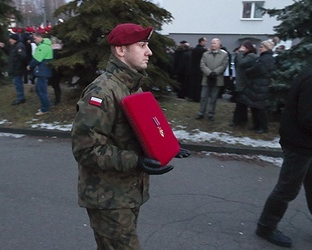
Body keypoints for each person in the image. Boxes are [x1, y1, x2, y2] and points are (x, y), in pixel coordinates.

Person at [71, 23, 190, 250]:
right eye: (142, 45)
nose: (149, 52)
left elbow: (142, 130)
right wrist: (137, 160)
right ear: (121, 50)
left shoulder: (132, 86)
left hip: (127, 192)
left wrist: (168, 145)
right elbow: (85, 150)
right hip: (107, 197)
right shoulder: (102, 92)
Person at [256, 33, 312, 248]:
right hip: (300, 144)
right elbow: (310, 120)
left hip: (306, 143)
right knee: (287, 188)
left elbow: (311, 112)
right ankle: (265, 227)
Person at [242, 40, 275, 134]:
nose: (259, 48)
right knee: (255, 106)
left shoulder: (267, 58)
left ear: (266, 48)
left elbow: (258, 69)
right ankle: (256, 125)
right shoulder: (264, 57)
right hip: (257, 84)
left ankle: (263, 127)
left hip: (261, 85)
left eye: (261, 46)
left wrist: (248, 71)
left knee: (260, 108)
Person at [196, 38, 229, 121]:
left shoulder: (224, 55)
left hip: (217, 79)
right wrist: (209, 73)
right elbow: (202, 65)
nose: (212, 45)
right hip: (206, 78)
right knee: (203, 97)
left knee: (213, 98)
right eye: (211, 43)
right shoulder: (205, 54)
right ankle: (201, 112)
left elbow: (223, 66)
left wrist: (215, 73)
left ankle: (211, 113)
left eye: (214, 43)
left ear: (219, 45)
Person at [231, 41, 257, 127]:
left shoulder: (251, 56)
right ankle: (241, 119)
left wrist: (240, 53)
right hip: (241, 82)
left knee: (241, 103)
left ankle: (238, 120)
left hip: (245, 83)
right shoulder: (245, 55)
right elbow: (237, 64)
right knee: (241, 103)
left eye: (243, 47)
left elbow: (242, 63)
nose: (241, 49)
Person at [27, 32, 53, 116]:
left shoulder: (42, 47)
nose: (34, 41)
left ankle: (44, 108)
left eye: (34, 39)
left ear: (39, 37)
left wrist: (30, 66)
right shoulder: (46, 45)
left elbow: (37, 59)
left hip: (42, 72)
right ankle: (45, 106)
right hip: (44, 71)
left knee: (41, 91)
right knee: (40, 89)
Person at [0, 33, 27, 105]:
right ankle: (20, 97)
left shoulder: (19, 46)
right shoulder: (14, 46)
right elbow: (10, 53)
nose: (9, 40)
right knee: (17, 83)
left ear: (14, 39)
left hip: (17, 69)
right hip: (15, 68)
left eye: (11, 39)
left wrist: (19, 66)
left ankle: (21, 98)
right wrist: (4, 47)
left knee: (18, 84)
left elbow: (23, 57)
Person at [189, 37, 207, 102]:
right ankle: (197, 98)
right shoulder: (203, 51)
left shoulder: (194, 49)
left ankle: (192, 96)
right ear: (201, 42)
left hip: (193, 69)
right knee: (198, 85)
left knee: (193, 84)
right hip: (199, 70)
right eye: (205, 41)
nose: (206, 43)